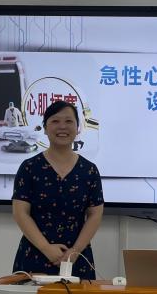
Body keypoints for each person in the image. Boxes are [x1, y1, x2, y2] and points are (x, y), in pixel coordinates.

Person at [12, 101, 104, 279]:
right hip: (34, 256)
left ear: (78, 128)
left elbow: (95, 214)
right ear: (45, 128)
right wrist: (46, 248)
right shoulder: (29, 167)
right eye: (55, 121)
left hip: (76, 259)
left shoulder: (89, 170)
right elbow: (20, 213)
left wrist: (75, 251)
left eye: (69, 121)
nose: (62, 126)